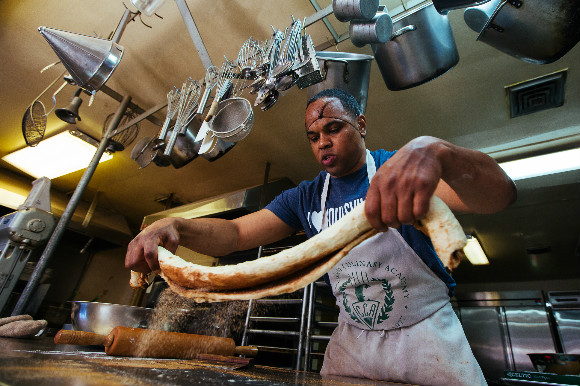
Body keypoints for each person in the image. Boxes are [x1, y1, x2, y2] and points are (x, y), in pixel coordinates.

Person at [126, 88, 517, 385]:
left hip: (426, 335)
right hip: (354, 341)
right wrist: (175, 225)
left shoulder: (400, 173)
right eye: (313, 137)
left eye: (334, 128)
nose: (323, 142)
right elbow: (236, 233)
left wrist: (438, 152)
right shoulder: (305, 198)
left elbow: (500, 195)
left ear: (360, 125)